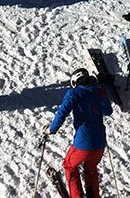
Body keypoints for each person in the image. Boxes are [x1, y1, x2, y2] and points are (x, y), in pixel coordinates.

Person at [46, 68, 113, 198]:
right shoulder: (99, 90)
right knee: (91, 169)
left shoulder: (73, 93)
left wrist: (51, 130)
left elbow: (62, 113)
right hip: (100, 143)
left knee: (69, 165)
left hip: (83, 143)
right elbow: (108, 111)